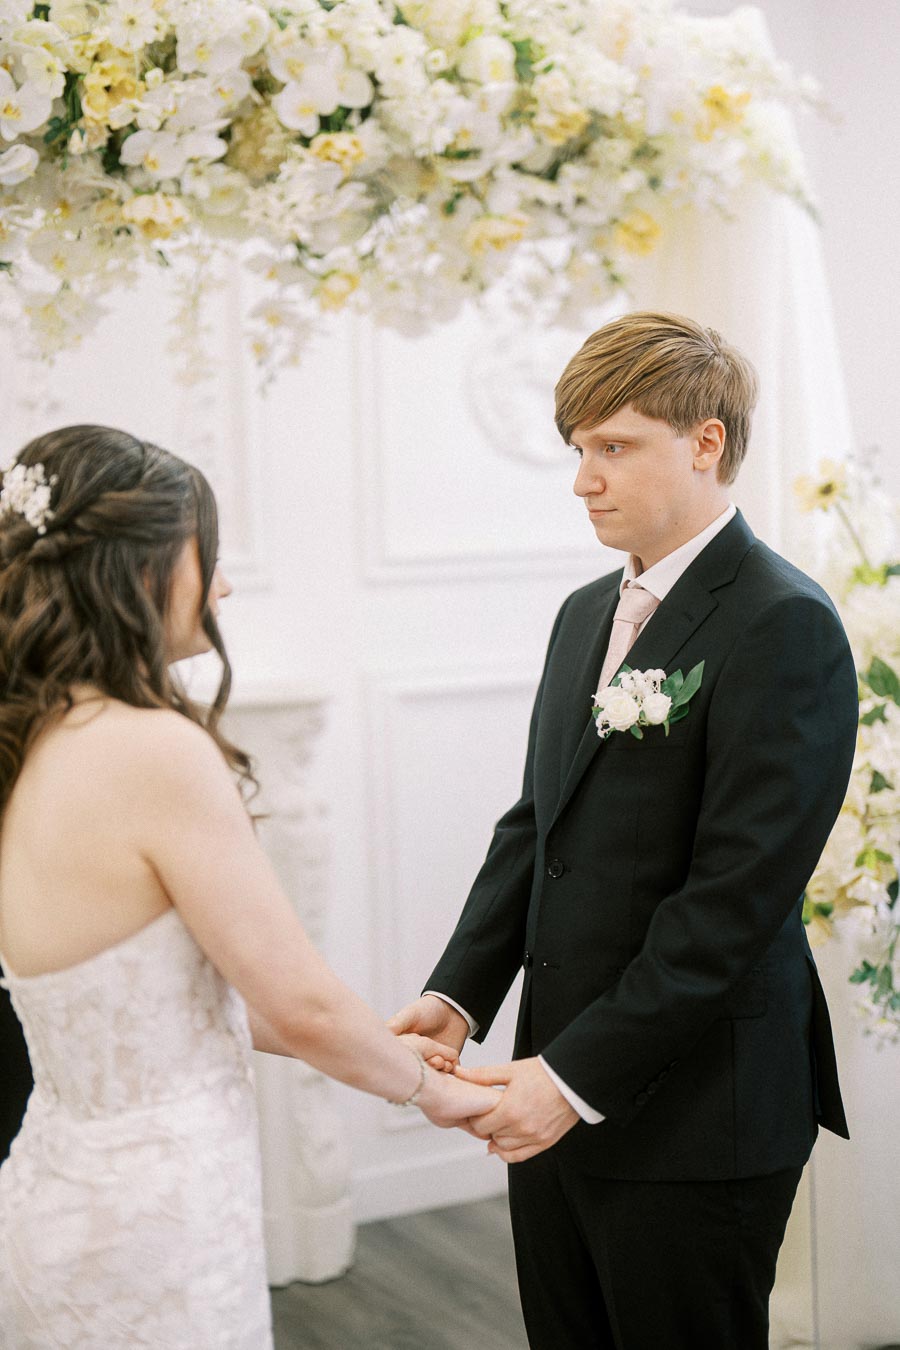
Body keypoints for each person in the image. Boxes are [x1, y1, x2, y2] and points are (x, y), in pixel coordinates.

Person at [390, 312, 859, 1350]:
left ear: (706, 443)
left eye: (615, 447)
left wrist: (569, 1081)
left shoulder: (785, 623)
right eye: (579, 450)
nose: (584, 479)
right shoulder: (580, 614)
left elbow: (734, 901)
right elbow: (535, 827)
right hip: (550, 1082)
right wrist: (458, 993)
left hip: (697, 1112)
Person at [0, 425, 497, 1347]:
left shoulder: (33, 738)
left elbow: (181, 999)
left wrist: (383, 1050)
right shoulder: (152, 748)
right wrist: (434, 1094)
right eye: (208, 554)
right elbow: (297, 1000)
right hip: (155, 1224)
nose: (224, 583)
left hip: (57, 1195)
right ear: (141, 568)